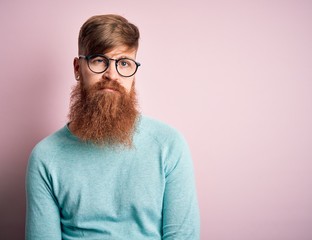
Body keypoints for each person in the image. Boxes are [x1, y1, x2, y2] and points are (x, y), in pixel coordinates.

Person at [25, 14, 200, 240]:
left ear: (134, 74)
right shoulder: (45, 157)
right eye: (99, 60)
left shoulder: (169, 146)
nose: (112, 75)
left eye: (124, 63)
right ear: (78, 68)